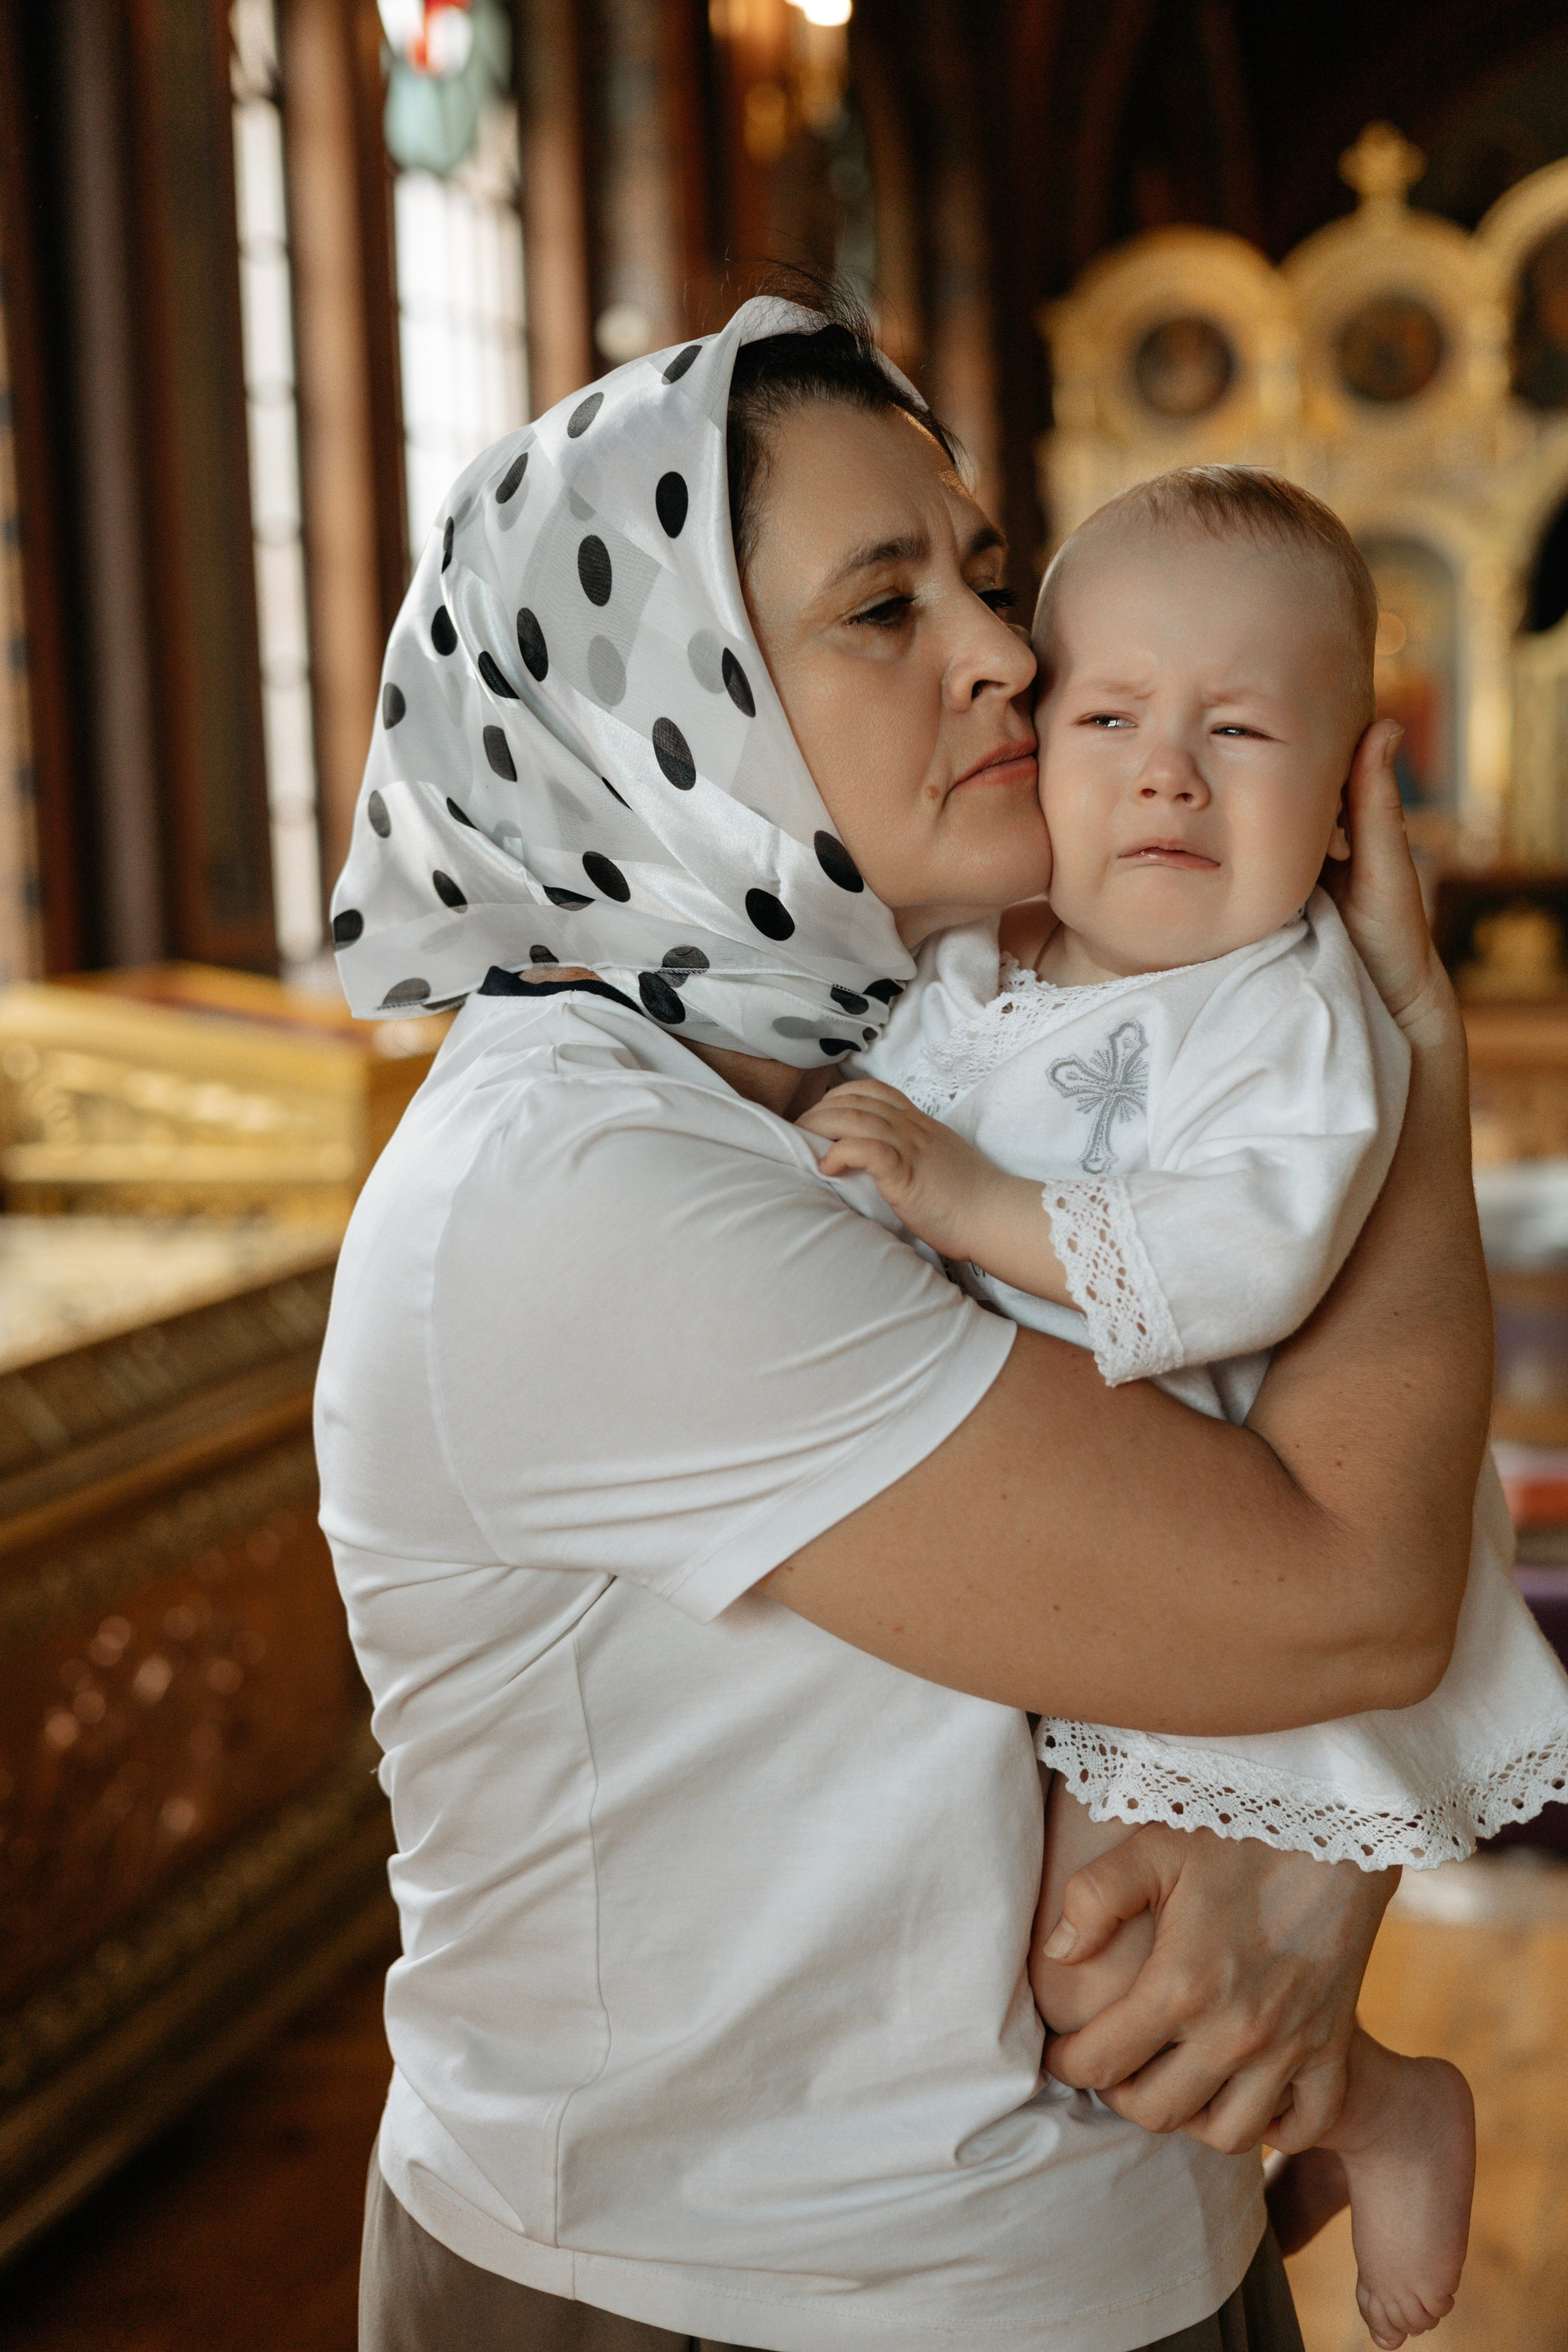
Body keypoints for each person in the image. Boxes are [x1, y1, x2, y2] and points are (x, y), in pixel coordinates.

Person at [317, 294, 1492, 2352]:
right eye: (884, 608)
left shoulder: (928, 1031)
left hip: (1128, 2239)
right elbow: (1342, 1585)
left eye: (983, 572)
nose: (1011, 655)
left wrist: (1320, 1881)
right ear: (652, 704)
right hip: (751, 2303)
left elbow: (1275, 1452)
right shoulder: (581, 1189)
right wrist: (1409, 1046)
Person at [801, 464, 1568, 2348]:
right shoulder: (966, 974)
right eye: (1111, 718)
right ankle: (1305, 2130)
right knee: (1061, 1955)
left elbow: (1250, 1259)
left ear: (1342, 804)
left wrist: (974, 1206)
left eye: (1240, 733)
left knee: (1094, 1957)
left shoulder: (1291, 1016)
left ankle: (1384, 2111)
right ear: (1029, 751)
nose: (1167, 774)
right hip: (1061, 1552)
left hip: (1225, 1570)